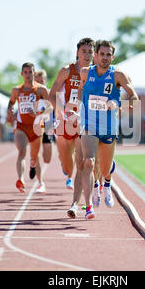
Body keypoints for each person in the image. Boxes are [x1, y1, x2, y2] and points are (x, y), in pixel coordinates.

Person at [77, 40, 139, 219]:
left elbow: (134, 97)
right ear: (95, 55)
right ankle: (89, 205)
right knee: (88, 162)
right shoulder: (85, 72)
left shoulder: (118, 75)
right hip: (89, 124)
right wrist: (78, 106)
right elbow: (82, 90)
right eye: (101, 54)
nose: (104, 58)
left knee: (104, 168)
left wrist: (118, 103)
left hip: (109, 127)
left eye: (108, 55)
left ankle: (106, 183)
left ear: (113, 56)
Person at [49, 38, 95, 213]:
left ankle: (80, 203)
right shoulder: (67, 70)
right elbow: (51, 94)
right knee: (74, 161)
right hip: (69, 120)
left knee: (85, 162)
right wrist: (61, 109)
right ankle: (79, 196)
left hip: (88, 121)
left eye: (90, 52)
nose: (87, 55)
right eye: (84, 51)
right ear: (77, 52)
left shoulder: (96, 73)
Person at [7, 62, 52, 193]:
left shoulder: (41, 89)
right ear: (22, 74)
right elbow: (11, 103)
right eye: (25, 72)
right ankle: (20, 180)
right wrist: (9, 110)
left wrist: (40, 113)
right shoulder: (16, 90)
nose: (28, 75)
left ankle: (40, 182)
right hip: (21, 127)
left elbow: (50, 106)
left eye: (30, 72)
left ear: (34, 73)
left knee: (34, 157)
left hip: (37, 127)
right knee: (21, 152)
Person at [34, 69, 53, 193]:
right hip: (34, 127)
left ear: (45, 81)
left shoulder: (50, 93)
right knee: (35, 154)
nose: (40, 83)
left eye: (42, 81)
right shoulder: (31, 93)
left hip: (47, 127)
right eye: (38, 81)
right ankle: (40, 182)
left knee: (47, 158)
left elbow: (55, 108)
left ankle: (34, 163)